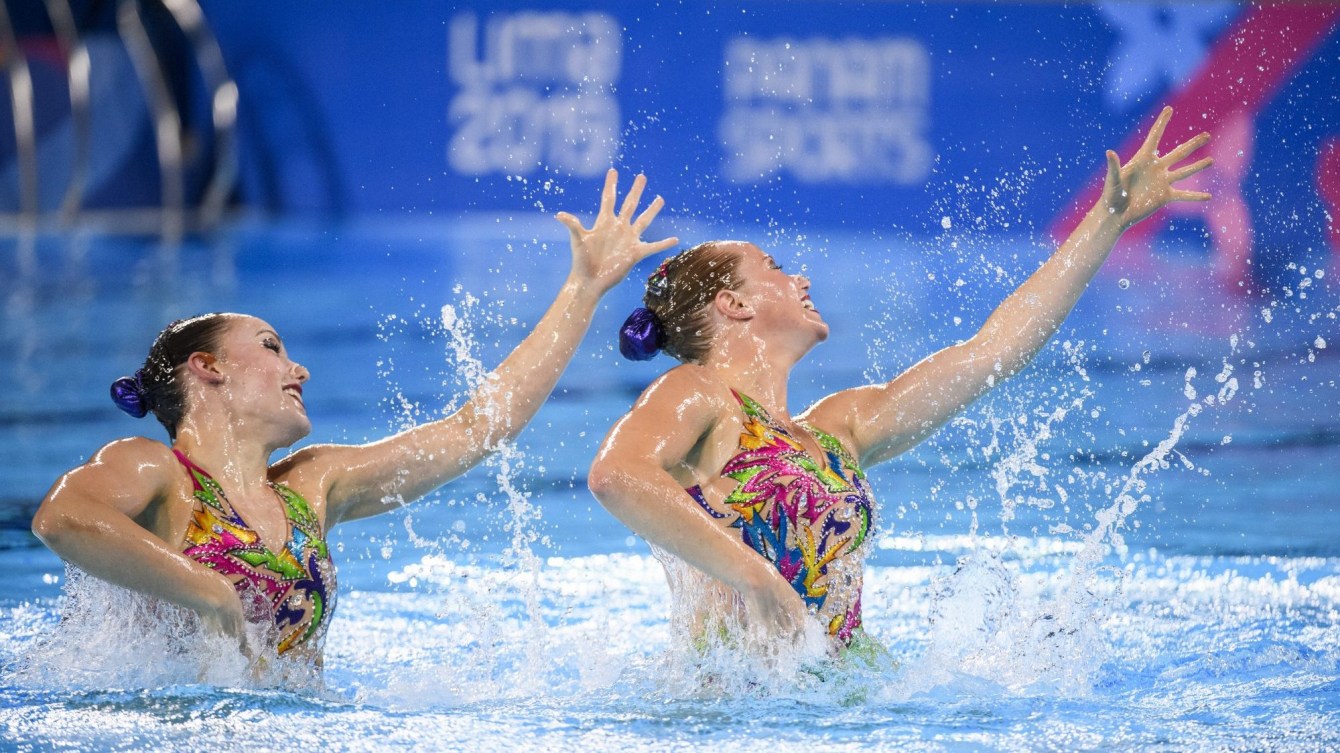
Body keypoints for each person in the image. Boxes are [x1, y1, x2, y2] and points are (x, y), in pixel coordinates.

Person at [588, 107, 1212, 654]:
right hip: (726, 711)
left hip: (832, 701)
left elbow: (991, 352)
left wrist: (1107, 221)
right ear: (735, 305)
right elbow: (617, 476)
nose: (799, 280)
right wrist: (754, 577)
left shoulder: (838, 430)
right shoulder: (697, 393)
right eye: (774, 269)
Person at [30, 170, 677, 667]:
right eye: (271, 347)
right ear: (208, 369)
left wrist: (583, 287)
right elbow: (63, 517)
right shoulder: (152, 471)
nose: (299, 369)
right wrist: (206, 588)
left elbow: (477, 427)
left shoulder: (313, 486)